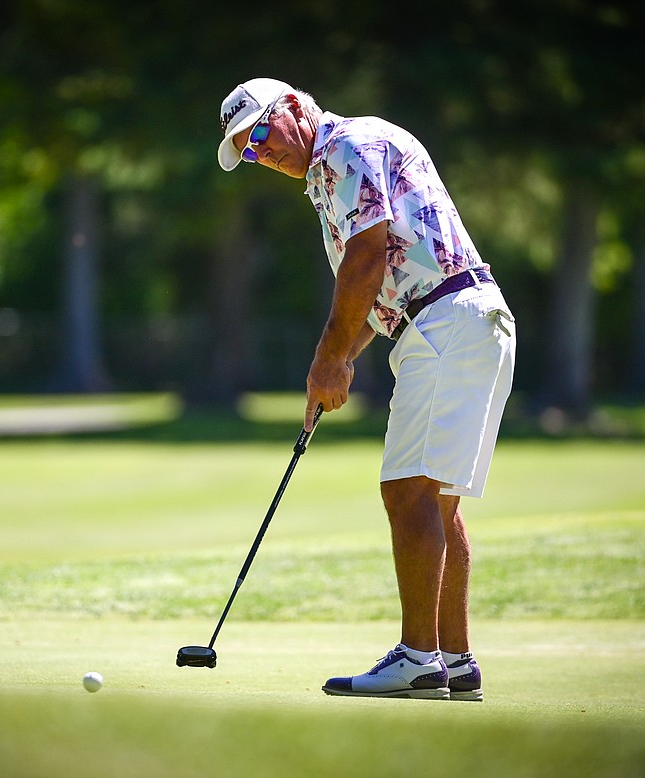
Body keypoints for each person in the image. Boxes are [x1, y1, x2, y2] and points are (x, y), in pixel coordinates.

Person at [217, 78, 516, 701]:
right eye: (248, 151)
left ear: (295, 108)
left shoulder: (350, 146)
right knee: (434, 499)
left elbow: (366, 261)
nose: (260, 153)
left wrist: (328, 357)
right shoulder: (328, 179)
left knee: (407, 490)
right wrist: (339, 364)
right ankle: (453, 662)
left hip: (445, 321)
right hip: (455, 321)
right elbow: (373, 288)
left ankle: (416, 658)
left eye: (262, 134)